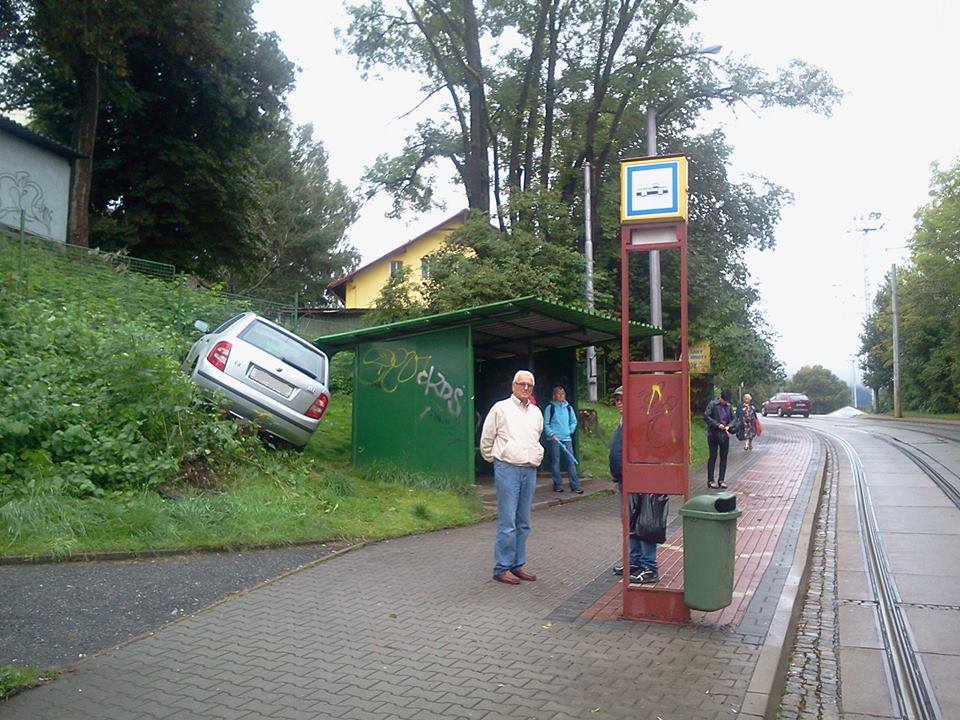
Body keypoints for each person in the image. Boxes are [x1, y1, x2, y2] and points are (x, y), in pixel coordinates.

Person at [480, 370, 544, 586]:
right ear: (513, 386)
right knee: (508, 521)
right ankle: (502, 568)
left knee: (523, 522)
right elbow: (487, 437)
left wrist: (535, 455)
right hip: (507, 468)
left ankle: (517, 565)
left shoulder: (536, 412)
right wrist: (496, 459)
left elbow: (537, 436)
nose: (526, 388)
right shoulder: (501, 408)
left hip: (529, 469)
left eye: (529, 385)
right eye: (521, 384)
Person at [609, 386, 659, 584]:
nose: (619, 402)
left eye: (622, 398)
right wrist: (615, 478)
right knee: (630, 523)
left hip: (639, 479)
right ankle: (635, 561)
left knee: (644, 523)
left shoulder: (639, 421)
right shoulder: (623, 422)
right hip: (624, 480)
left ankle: (649, 567)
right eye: (616, 399)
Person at [544, 385, 582, 494]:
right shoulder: (550, 408)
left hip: (566, 438)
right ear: (554, 395)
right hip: (554, 439)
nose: (561, 396)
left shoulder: (568, 408)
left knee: (571, 461)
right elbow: (546, 423)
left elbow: (573, 421)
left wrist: (569, 431)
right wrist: (551, 434)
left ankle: (575, 486)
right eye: (558, 394)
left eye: (562, 394)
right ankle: (558, 485)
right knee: (556, 461)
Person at [703, 389, 733, 489]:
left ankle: (721, 479)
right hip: (713, 434)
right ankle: (710, 480)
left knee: (724, 457)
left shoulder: (729, 407)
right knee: (713, 456)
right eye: (724, 400)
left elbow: (734, 418)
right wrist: (717, 425)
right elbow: (706, 416)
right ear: (720, 397)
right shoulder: (712, 404)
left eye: (727, 401)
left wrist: (729, 426)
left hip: (725, 434)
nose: (725, 402)